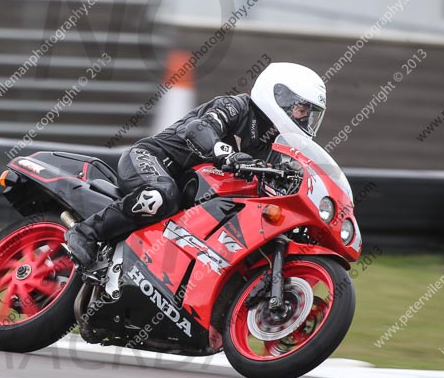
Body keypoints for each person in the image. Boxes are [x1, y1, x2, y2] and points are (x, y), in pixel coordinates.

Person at [64, 62, 328, 269]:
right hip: (150, 158)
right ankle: (85, 233)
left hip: (188, 192)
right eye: (302, 109)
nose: (305, 119)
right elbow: (198, 128)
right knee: (162, 195)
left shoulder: (268, 148)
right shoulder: (236, 106)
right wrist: (223, 153)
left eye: (309, 114)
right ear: (279, 95)